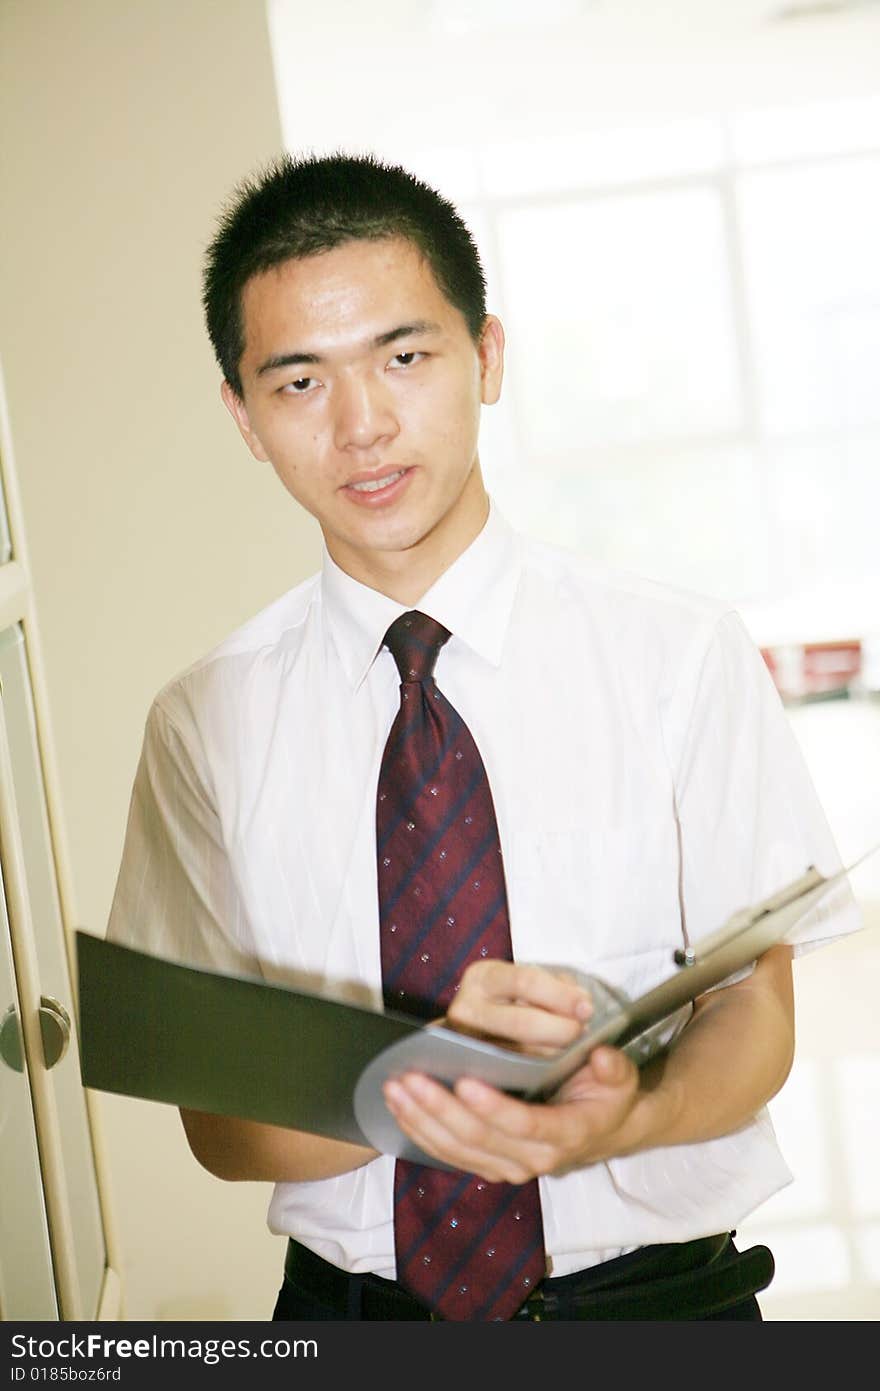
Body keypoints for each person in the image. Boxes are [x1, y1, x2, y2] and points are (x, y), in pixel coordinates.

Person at [106, 151, 861, 1322]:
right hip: (350, 1314)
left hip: (658, 1306)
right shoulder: (203, 720)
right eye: (299, 382)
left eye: (404, 357)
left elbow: (752, 1011)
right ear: (243, 416)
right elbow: (221, 1124)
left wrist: (629, 1114)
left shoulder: (679, 652)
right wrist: (424, 1077)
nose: (362, 426)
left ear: (486, 357)